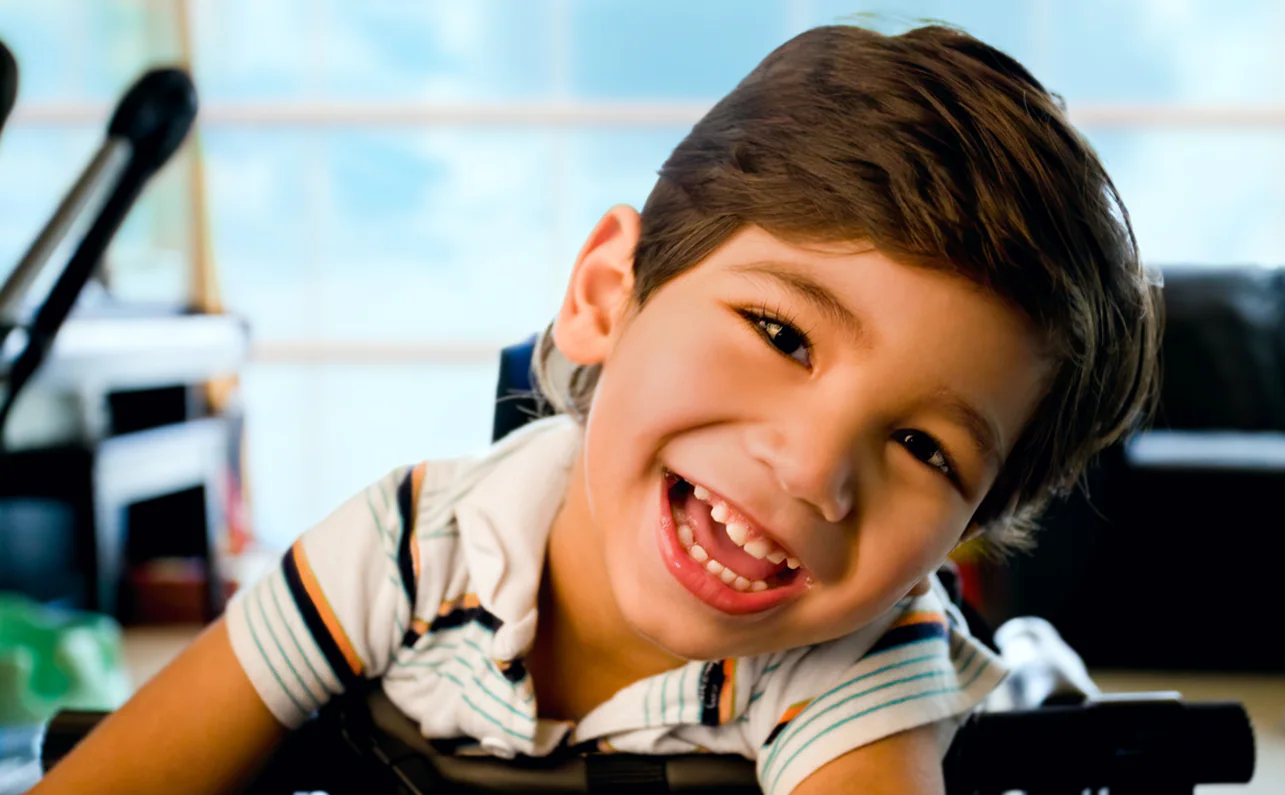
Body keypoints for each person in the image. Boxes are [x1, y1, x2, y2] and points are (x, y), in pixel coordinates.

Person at [35, 21, 1160, 795]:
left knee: (1034, 689)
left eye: (921, 445)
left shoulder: (860, 655)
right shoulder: (400, 549)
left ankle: (1029, 654)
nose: (815, 467)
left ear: (960, 531)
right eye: (779, 333)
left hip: (988, 701)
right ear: (603, 296)